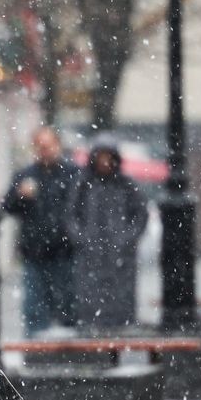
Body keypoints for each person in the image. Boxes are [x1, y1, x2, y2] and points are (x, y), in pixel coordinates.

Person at [2, 126, 79, 336]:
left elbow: (80, 207)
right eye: (40, 146)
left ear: (58, 145)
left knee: (67, 304)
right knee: (34, 306)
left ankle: (69, 351)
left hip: (65, 250)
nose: (45, 150)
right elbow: (7, 206)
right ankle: (36, 349)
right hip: (34, 252)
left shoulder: (72, 174)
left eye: (49, 145)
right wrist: (20, 195)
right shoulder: (26, 175)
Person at [68, 137, 149, 332]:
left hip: (120, 256)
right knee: (91, 301)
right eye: (100, 157)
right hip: (91, 256)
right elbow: (71, 215)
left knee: (120, 300)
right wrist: (82, 239)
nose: (104, 163)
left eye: (108, 158)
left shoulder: (127, 186)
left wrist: (127, 239)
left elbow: (140, 215)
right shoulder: (83, 185)